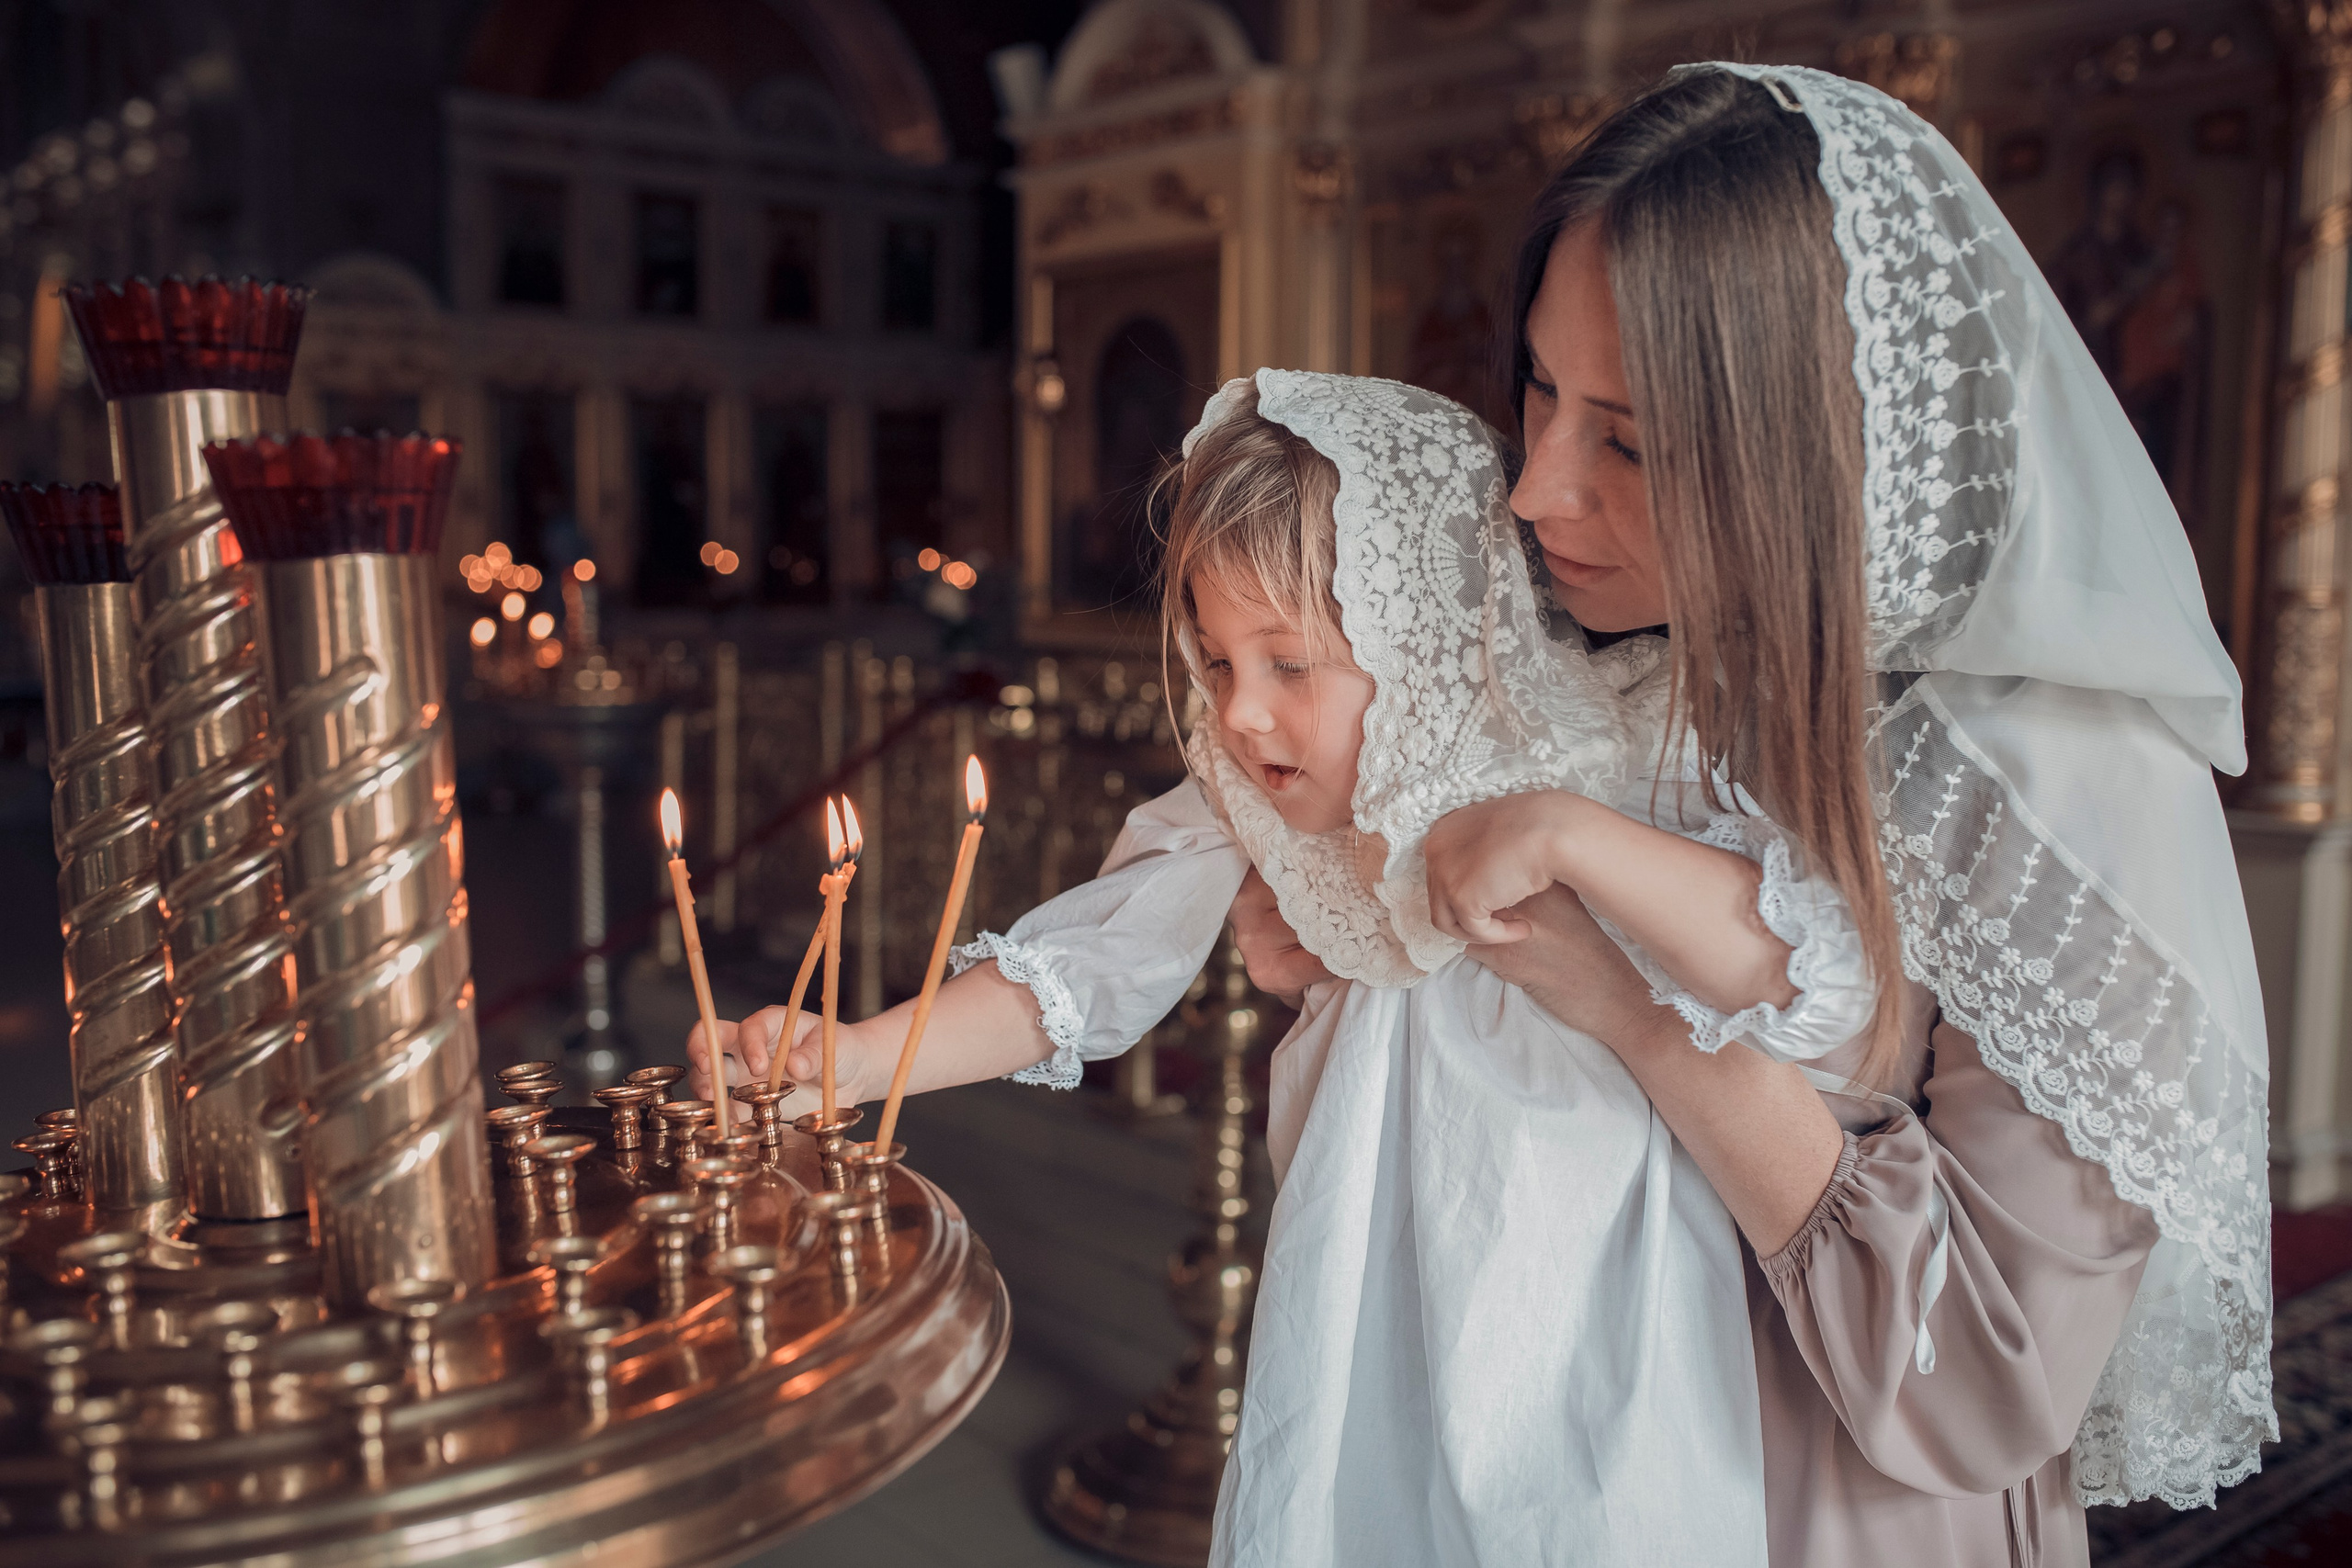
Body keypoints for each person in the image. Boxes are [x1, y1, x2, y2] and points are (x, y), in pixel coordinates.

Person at [1236, 64, 2274, 1567]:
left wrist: (1633, 1012)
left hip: (1822, 1511)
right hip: (1518, 1461)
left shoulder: (2060, 777)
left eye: (1632, 442)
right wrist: (1369, 947)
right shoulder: (1608, 658)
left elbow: (1984, 1378)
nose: (1534, 491)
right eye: (1537, 389)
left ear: (1821, 451)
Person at [696, 366, 1886, 1566]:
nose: (1242, 714)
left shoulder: (1614, 751)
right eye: (1214, 663)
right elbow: (1087, 959)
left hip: (1593, 1323)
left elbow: (1813, 966)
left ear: (1426, 636)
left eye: (1289, 664)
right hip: (1362, 1300)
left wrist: (1581, 843)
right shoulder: (1259, 803)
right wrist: (852, 1058)